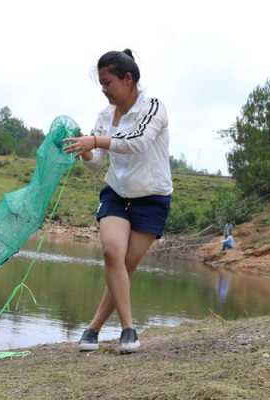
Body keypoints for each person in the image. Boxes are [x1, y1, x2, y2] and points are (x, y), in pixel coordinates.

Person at [63, 49, 173, 354]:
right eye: (101, 83)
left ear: (128, 79)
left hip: (152, 197)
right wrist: (84, 148)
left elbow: (137, 143)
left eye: (107, 82)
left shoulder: (153, 108)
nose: (104, 90)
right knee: (113, 254)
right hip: (116, 193)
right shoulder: (103, 116)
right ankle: (128, 329)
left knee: (125, 265)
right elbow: (98, 162)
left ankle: (93, 329)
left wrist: (95, 141)